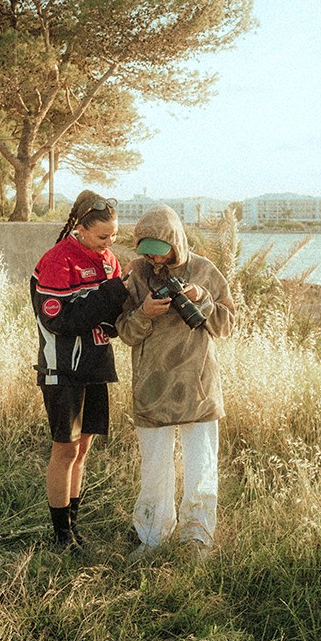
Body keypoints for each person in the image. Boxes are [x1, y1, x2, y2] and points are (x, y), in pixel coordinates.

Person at [116, 205, 236, 556]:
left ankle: (198, 537)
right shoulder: (136, 273)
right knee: (154, 467)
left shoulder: (204, 270)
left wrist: (204, 300)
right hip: (151, 385)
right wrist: (143, 313)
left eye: (161, 252)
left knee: (201, 467)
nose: (155, 261)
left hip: (197, 383)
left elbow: (227, 326)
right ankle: (152, 536)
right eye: (147, 253)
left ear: (176, 242)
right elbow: (124, 331)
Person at [32, 190, 129, 551]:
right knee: (65, 450)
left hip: (97, 364)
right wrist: (111, 295)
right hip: (62, 369)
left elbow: (112, 316)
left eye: (114, 236)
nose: (109, 244)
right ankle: (60, 536)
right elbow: (60, 320)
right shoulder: (58, 260)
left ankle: (73, 526)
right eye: (103, 237)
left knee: (83, 449)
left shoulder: (109, 261)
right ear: (81, 229)